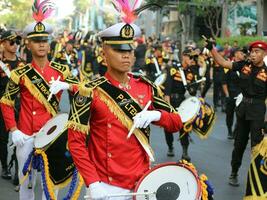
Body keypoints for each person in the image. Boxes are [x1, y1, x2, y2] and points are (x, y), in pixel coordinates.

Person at [67, 3, 183, 200]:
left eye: (129, 50)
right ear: (104, 54)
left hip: (143, 182)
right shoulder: (89, 91)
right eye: (119, 50)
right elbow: (76, 143)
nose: (126, 55)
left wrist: (156, 115)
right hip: (106, 185)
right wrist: (93, 183)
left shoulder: (147, 87)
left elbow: (176, 122)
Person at [0, 3, 78, 199]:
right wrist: (13, 129)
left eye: (45, 40)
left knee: (50, 185)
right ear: (28, 44)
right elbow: (6, 101)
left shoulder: (62, 72)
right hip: (26, 135)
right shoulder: (21, 73)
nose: (42, 44)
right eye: (37, 40)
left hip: (52, 135)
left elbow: (83, 93)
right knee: (26, 185)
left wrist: (67, 86)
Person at [205, 38, 267, 187]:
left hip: (258, 111)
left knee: (257, 147)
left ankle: (256, 178)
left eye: (257, 52)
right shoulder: (244, 65)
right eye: (252, 52)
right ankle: (234, 172)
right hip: (243, 109)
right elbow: (223, 63)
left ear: (264, 54)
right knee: (239, 144)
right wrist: (212, 49)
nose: (253, 54)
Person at [163, 49, 199, 161]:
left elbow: (193, 92)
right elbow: (167, 89)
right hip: (171, 101)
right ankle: (170, 146)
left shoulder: (192, 72)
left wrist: (192, 87)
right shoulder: (174, 68)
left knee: (184, 127)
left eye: (193, 58)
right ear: (184, 56)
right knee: (168, 127)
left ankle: (185, 152)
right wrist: (168, 106)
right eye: (190, 57)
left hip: (183, 101)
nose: (192, 60)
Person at [0, 30, 23, 190]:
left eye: (17, 42)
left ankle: (16, 170)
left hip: (19, 106)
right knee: (2, 138)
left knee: (19, 139)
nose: (15, 45)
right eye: (11, 42)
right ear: (3, 43)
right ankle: (4, 166)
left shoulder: (23, 63)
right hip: (2, 106)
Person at [221, 47, 245, 139]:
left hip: (241, 95)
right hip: (231, 94)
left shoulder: (244, 66)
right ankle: (229, 130)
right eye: (241, 53)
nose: (243, 54)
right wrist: (227, 95)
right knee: (229, 114)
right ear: (236, 55)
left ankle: (236, 130)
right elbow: (224, 82)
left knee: (241, 114)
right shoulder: (229, 66)